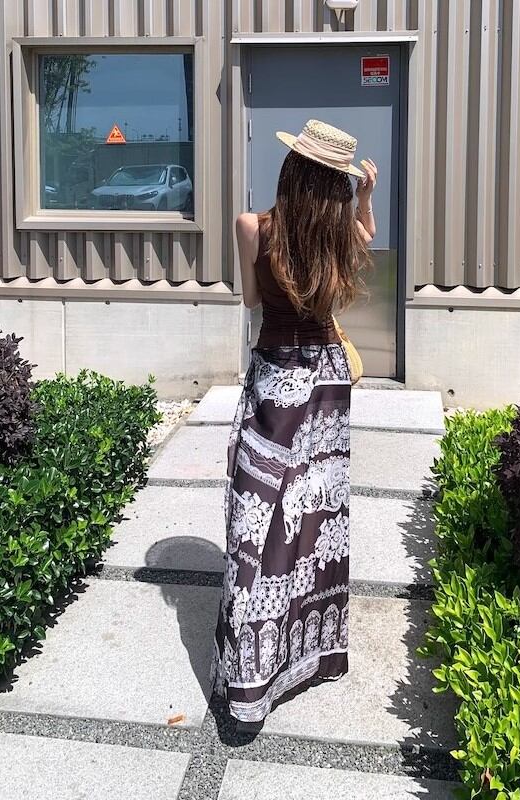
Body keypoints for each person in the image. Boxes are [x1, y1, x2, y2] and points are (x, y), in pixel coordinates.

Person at [210, 119, 377, 723]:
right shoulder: (338, 233)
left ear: (290, 171)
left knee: (258, 509)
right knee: (316, 507)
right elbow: (366, 232)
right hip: (327, 377)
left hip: (278, 374)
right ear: (335, 184)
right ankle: (311, 647)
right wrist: (365, 197)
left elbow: (252, 301)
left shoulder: (252, 226)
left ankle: (252, 668)